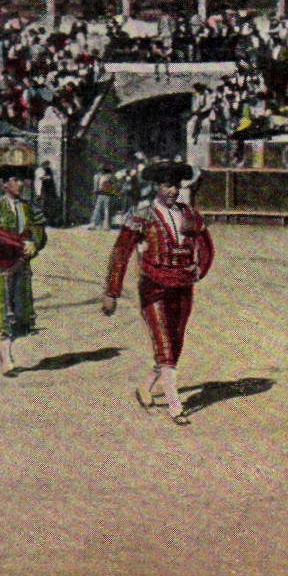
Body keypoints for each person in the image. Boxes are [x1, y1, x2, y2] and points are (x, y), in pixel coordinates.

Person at [102, 161, 214, 426]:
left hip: (183, 285)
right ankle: (175, 405)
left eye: (176, 185)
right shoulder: (142, 215)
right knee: (164, 341)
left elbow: (205, 244)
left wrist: (199, 270)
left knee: (174, 343)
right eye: (167, 185)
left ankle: (146, 388)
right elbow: (121, 252)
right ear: (157, 187)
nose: (173, 191)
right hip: (154, 286)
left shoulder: (188, 214)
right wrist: (112, 291)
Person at [0, 164, 47, 377]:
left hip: (22, 266)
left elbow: (39, 232)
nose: (21, 184)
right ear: (5, 184)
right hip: (1, 266)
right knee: (4, 311)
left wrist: (35, 242)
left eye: (22, 180)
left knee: (22, 312)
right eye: (15, 180)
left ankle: (7, 348)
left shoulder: (28, 207)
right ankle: (6, 357)